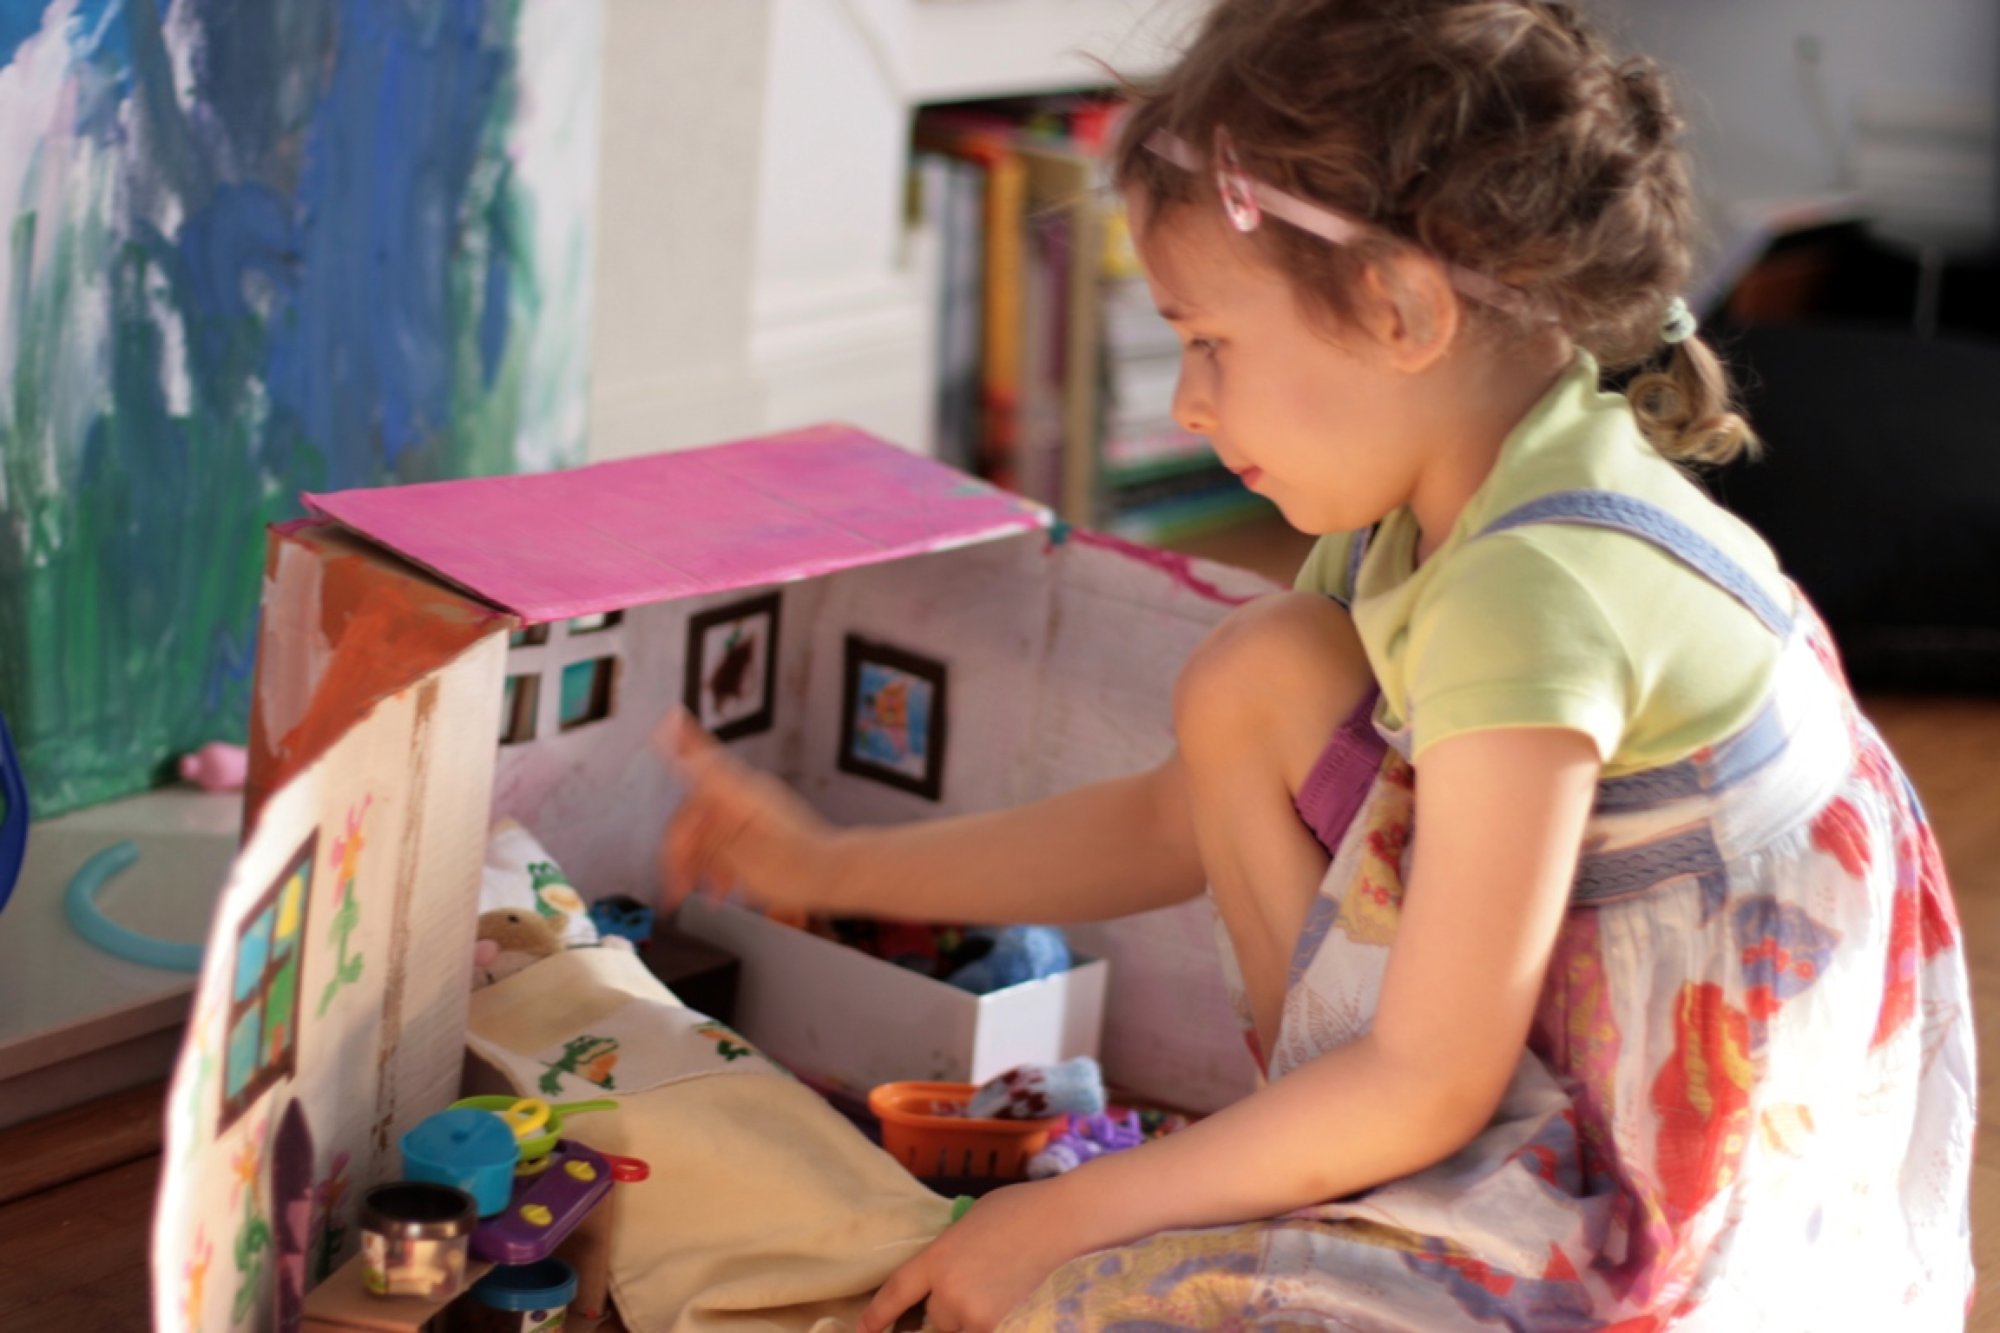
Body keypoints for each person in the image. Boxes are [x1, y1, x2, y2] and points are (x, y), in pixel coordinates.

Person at [661, 1, 1978, 1328]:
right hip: (1546, 1052)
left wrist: (1063, 1210)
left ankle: (1321, 1174)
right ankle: (1304, 1157)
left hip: (1664, 1188)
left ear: (1401, 308)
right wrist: (830, 866)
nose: (1185, 401)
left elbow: (1428, 1078)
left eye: (1209, 340)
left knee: (1082, 1296)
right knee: (1258, 672)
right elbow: (1175, 814)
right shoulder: (1440, 502)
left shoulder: (1529, 591)